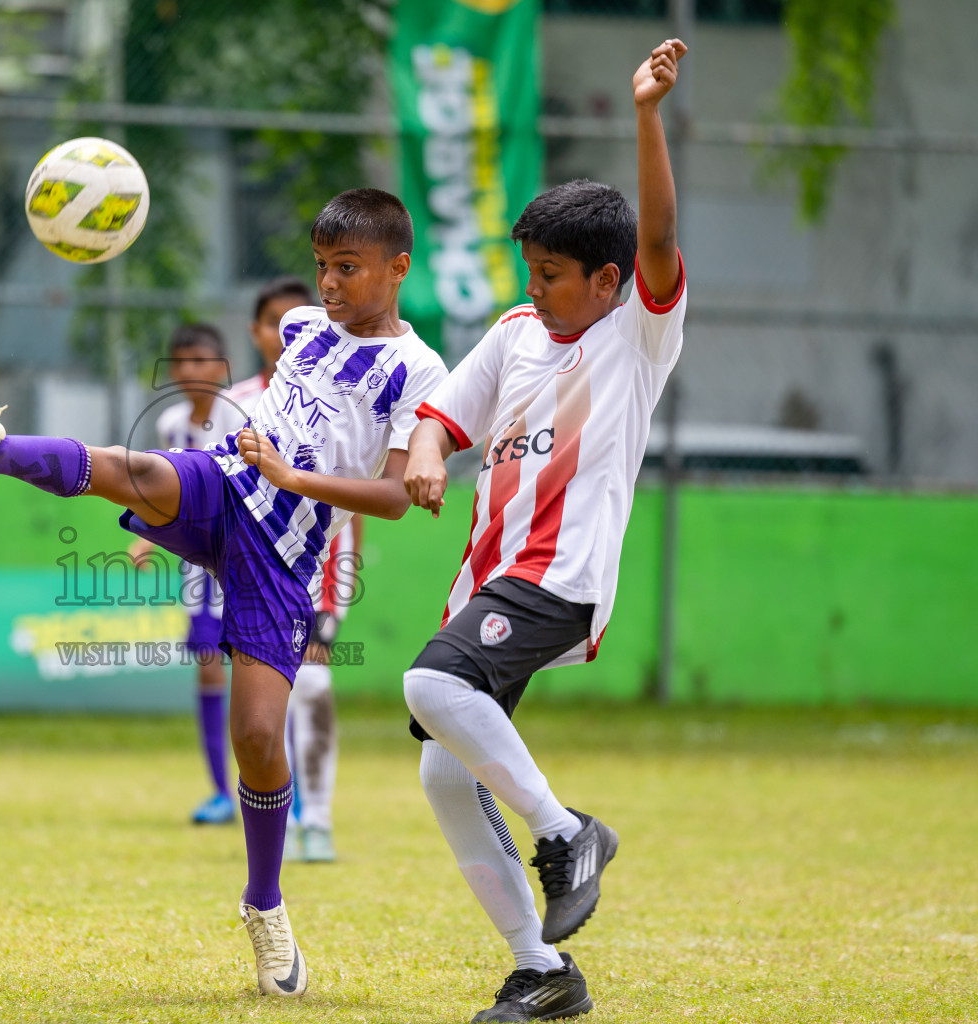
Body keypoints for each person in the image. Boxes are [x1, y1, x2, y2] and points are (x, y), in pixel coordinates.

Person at [0, 188, 447, 998]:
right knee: (132, 470)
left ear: (399, 267)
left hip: (283, 558)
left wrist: (294, 475)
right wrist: (257, 455)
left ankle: (265, 906)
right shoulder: (304, 329)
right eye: (322, 267)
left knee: (259, 739)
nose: (330, 285)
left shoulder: (419, 370)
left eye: (348, 268)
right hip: (226, 485)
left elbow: (390, 496)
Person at [399, 40, 689, 1023]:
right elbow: (448, 411)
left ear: (609, 280)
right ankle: (541, 970)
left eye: (559, 273)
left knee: (428, 684)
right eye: (534, 268)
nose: (542, 285)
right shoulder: (519, 329)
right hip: (491, 575)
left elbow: (657, 236)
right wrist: (432, 452)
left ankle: (570, 832)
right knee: (445, 768)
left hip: (559, 573)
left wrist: (647, 114)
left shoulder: (636, 330)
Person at [240, 274, 357, 864]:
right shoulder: (239, 400)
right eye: (278, 324)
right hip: (247, 574)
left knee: (312, 690)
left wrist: (340, 590)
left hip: (314, 575)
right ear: (259, 332)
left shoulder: (340, 395)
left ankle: (320, 819)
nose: (291, 337)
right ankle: (274, 818)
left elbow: (355, 499)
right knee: (261, 707)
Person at [128, 322, 247, 825]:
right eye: (182, 363)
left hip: (246, 559)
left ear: (221, 369)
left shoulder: (245, 416)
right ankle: (221, 791)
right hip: (199, 567)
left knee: (258, 670)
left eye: (202, 362)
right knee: (208, 664)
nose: (191, 372)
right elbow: (165, 493)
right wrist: (146, 533)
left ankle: (283, 787)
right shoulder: (171, 425)